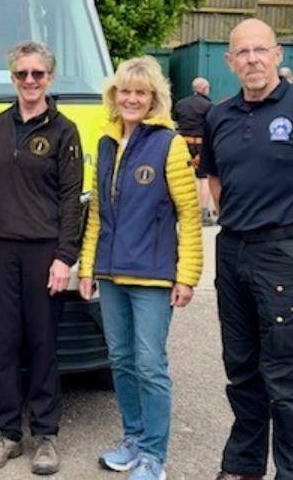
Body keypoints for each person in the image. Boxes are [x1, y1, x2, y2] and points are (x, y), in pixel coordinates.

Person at [200, 18, 293, 480]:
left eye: (260, 50)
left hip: (284, 253)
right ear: (230, 62)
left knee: (284, 376)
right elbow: (215, 178)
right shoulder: (219, 116)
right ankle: (244, 466)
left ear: (277, 54)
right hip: (233, 251)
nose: (251, 60)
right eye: (242, 53)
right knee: (241, 370)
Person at [0, 40, 83, 476]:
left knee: (43, 342)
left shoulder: (64, 131)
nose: (30, 81)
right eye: (22, 74)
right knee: (4, 342)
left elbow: (70, 200)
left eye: (38, 74)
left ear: (50, 77)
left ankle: (45, 436)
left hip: (44, 249)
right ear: (12, 78)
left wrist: (65, 256)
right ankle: (5, 433)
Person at [77, 56, 204, 480]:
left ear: (154, 99)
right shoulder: (106, 142)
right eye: (125, 92)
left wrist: (187, 275)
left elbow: (190, 213)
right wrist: (87, 268)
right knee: (121, 360)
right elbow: (97, 212)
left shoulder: (169, 144)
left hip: (152, 276)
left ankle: (153, 455)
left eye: (140, 92)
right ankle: (132, 440)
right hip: (111, 275)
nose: (131, 99)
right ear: (115, 97)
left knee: (150, 364)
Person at [172, 76, 216, 225]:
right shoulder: (208, 106)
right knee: (204, 178)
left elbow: (175, 122)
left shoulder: (180, 104)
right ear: (204, 89)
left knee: (183, 178)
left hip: (182, 145)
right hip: (201, 146)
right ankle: (203, 213)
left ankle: (183, 211)